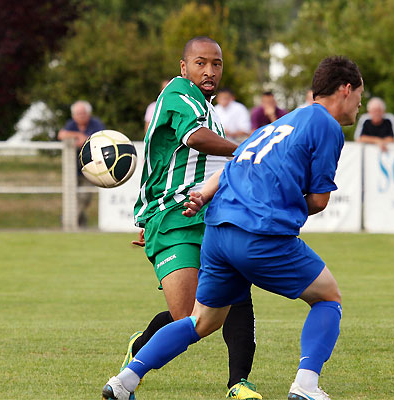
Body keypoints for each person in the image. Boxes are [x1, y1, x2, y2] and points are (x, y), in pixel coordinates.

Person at [102, 56, 363, 400]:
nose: (359, 103)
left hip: (218, 232)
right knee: (328, 297)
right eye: (360, 94)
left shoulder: (279, 124)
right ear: (346, 89)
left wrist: (204, 193)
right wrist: (283, 196)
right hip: (259, 232)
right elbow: (318, 202)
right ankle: (306, 386)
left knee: (202, 321)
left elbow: (232, 165)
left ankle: (124, 381)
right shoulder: (326, 125)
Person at [102, 37, 260, 400]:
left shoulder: (208, 107)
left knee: (236, 291)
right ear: (184, 67)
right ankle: (141, 346)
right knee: (189, 316)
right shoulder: (177, 94)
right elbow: (195, 139)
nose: (210, 70)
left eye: (216, 64)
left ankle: (239, 384)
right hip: (173, 217)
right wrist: (246, 147)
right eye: (201, 63)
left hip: (211, 215)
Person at [57, 100, 105, 227]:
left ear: (88, 114)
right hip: (73, 168)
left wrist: (84, 140)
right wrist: (78, 135)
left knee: (85, 196)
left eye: (83, 113)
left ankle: (67, 221)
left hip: (91, 167)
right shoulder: (71, 124)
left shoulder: (96, 124)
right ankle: (79, 224)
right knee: (71, 196)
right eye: (78, 114)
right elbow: (61, 134)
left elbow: (98, 138)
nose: (81, 116)